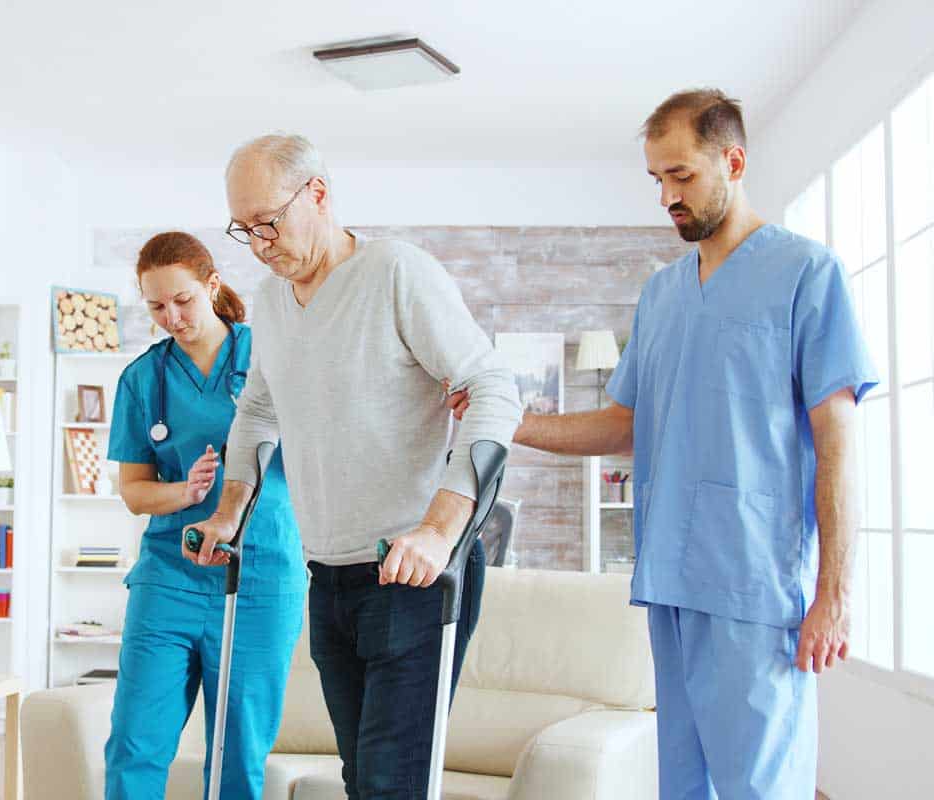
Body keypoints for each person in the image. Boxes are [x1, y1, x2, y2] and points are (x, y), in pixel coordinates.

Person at [452, 88, 878, 798]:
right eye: (656, 179)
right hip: (671, 579)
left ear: (733, 161)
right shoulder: (664, 294)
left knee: (760, 786)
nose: (665, 197)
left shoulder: (808, 273)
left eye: (680, 176)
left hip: (754, 580)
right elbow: (623, 422)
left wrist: (833, 594)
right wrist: (510, 422)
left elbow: (836, 442)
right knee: (683, 786)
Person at [185, 134, 523, 799]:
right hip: (329, 577)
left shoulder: (396, 272)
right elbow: (257, 411)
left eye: (269, 223)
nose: (259, 243)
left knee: (391, 785)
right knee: (362, 781)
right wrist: (229, 515)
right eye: (243, 229)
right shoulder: (274, 301)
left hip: (411, 573)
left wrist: (438, 530)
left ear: (317, 193)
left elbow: (492, 388)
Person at [103, 232, 306, 800]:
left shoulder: (273, 353)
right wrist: (186, 494)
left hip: (260, 575)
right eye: (156, 306)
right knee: (134, 743)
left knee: (236, 752)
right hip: (168, 576)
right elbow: (136, 492)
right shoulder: (143, 378)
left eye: (183, 300)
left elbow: (321, 451)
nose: (172, 316)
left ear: (212, 285)